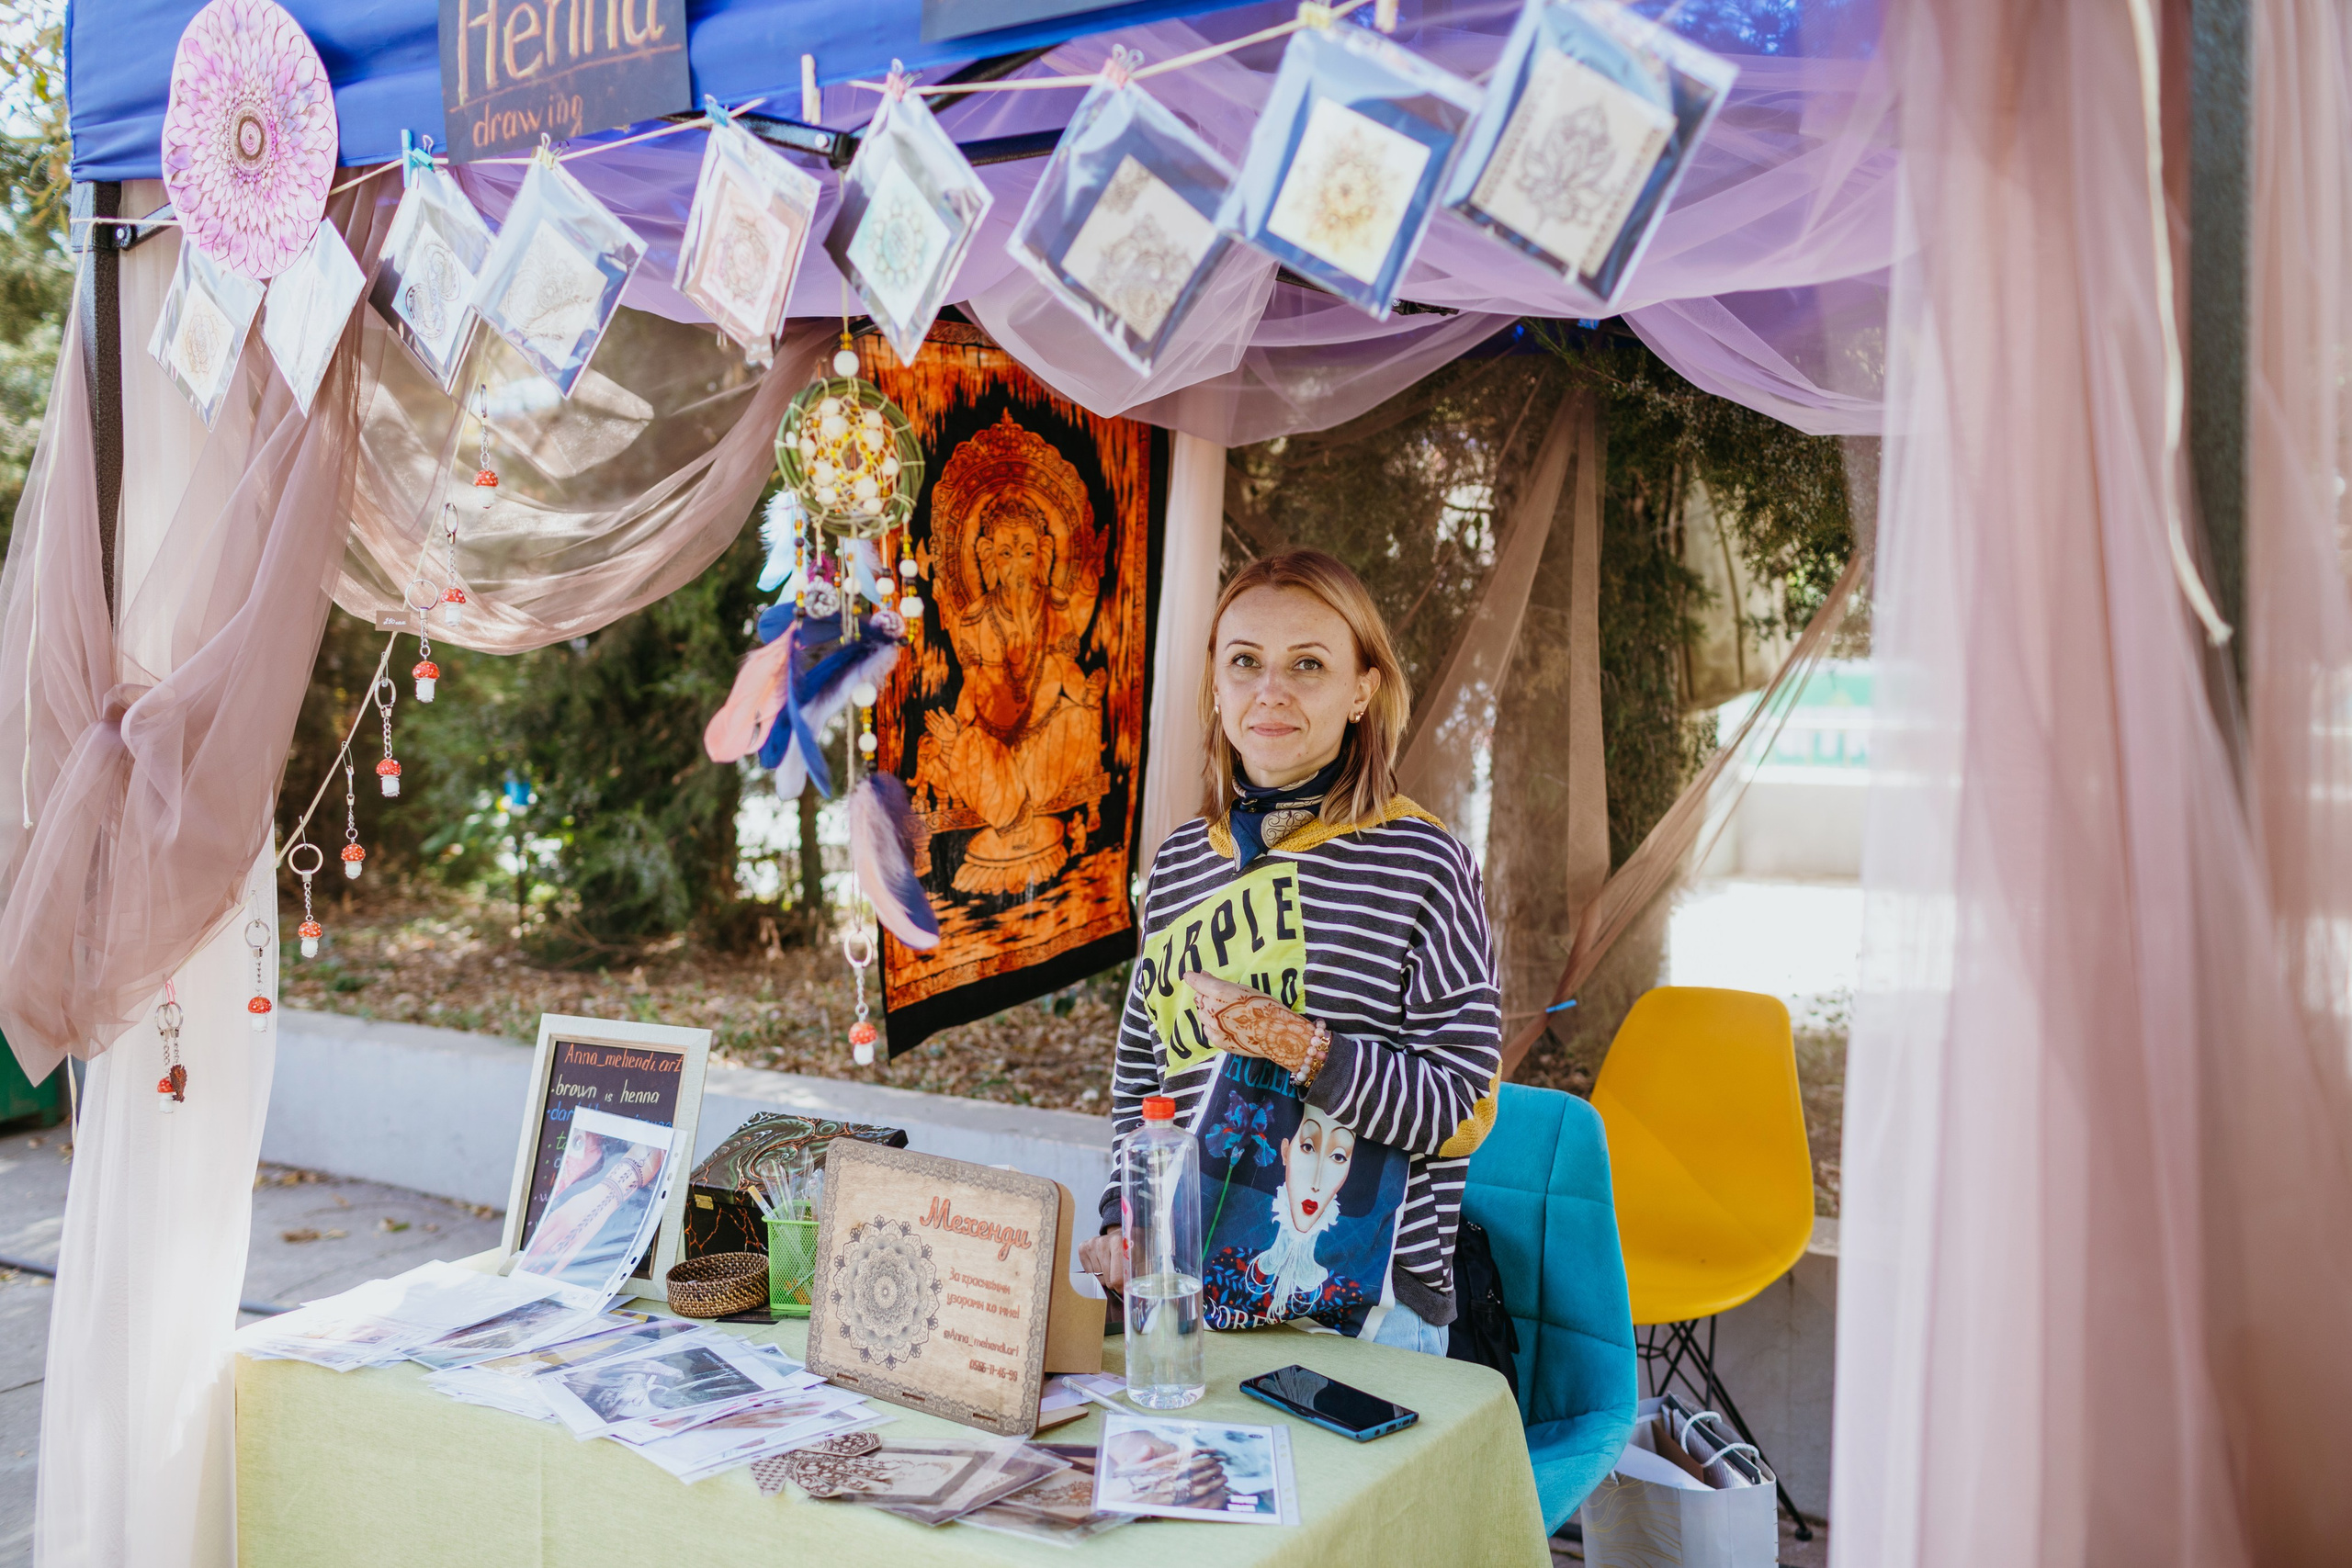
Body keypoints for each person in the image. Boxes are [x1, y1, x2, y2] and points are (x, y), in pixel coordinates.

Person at [1079, 549, 1500, 1356]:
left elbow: (1465, 1106)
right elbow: (1144, 1074)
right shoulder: (1179, 863)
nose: (1269, 689)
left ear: (1361, 691)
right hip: (1191, 1291)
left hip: (1366, 1313)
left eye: (1307, 664)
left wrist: (1308, 1050)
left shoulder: (1421, 860)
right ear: (1214, 684)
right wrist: (1123, 1221)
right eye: (1244, 662)